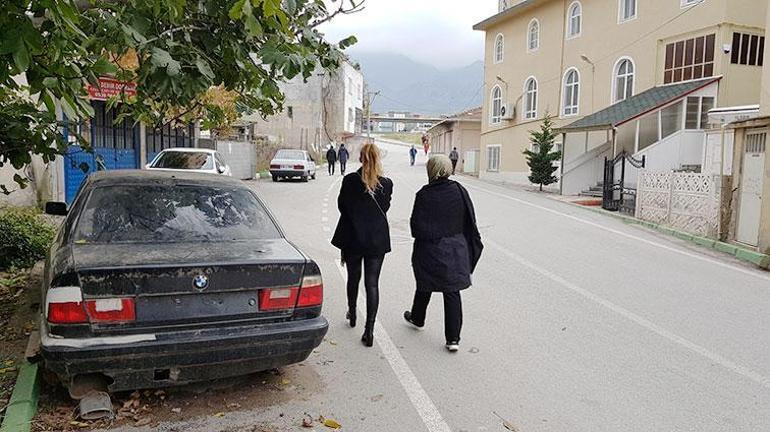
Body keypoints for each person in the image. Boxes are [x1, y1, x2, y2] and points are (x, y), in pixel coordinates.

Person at [403, 154, 483, 352]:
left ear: (430, 170)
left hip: (430, 248)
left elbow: (416, 228)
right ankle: (453, 339)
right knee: (452, 291)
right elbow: (470, 221)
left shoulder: (423, 194)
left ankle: (417, 318)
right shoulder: (459, 190)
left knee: (425, 283)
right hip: (455, 248)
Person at [332, 143, 393, 347]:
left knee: (353, 278)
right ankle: (369, 330)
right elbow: (385, 208)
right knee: (372, 283)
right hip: (376, 239)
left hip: (353, 238)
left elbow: (342, 206)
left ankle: (352, 313)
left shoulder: (350, 180)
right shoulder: (386, 184)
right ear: (378, 158)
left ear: (360, 158)